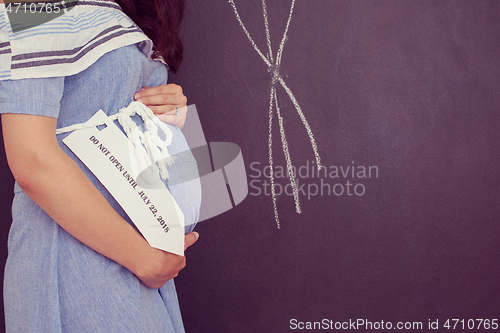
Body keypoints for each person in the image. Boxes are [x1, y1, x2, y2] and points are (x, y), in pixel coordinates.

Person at [0, 0, 201, 331]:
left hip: (136, 256)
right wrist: (145, 259)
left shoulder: (123, 8)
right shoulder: (38, 4)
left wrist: (166, 107)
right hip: (77, 253)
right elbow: (32, 159)